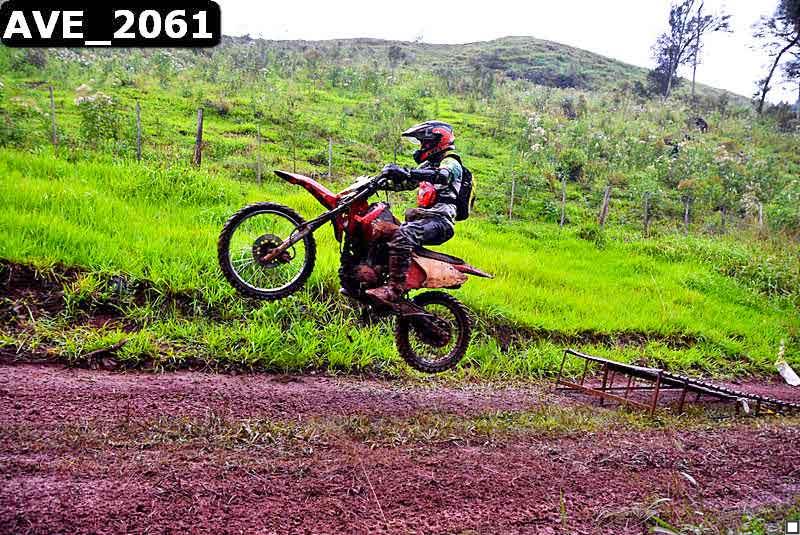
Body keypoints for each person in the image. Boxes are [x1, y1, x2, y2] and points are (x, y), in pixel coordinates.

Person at [366, 121, 463, 304]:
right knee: (380, 230)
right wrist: (374, 183)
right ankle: (372, 277)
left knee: (403, 235)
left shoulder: (451, 162)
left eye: (424, 143)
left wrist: (408, 172)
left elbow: (442, 176)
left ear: (437, 142)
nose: (421, 147)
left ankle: (394, 289)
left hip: (440, 223)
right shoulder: (428, 165)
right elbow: (406, 183)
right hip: (423, 220)